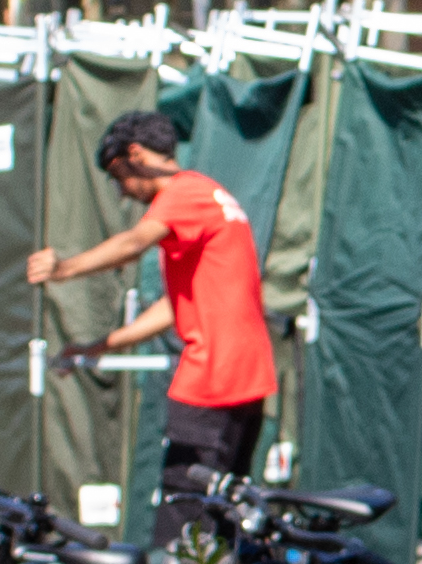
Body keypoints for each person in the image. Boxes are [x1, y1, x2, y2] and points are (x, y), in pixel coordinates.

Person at [27, 110, 272, 508]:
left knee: (185, 516)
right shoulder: (208, 194)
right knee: (227, 512)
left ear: (135, 154)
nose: (122, 191)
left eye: (117, 175)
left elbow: (133, 243)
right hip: (246, 376)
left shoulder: (183, 193)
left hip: (211, 379)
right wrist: (100, 345)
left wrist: (64, 268)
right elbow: (176, 307)